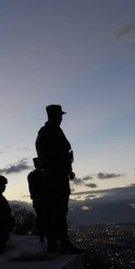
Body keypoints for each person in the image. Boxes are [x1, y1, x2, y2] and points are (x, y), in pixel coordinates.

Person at [35, 104, 83, 254]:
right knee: (55, 209)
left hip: (59, 175)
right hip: (54, 176)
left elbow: (62, 152)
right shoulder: (47, 132)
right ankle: (56, 242)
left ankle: (59, 240)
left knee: (60, 210)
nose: (61, 118)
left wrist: (68, 169)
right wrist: (60, 163)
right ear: (54, 116)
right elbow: (46, 155)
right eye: (60, 116)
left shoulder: (55, 131)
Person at [27, 158, 46, 243]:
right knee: (41, 217)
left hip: (39, 200)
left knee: (41, 217)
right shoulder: (34, 175)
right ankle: (42, 236)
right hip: (40, 199)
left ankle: (43, 236)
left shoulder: (33, 175)